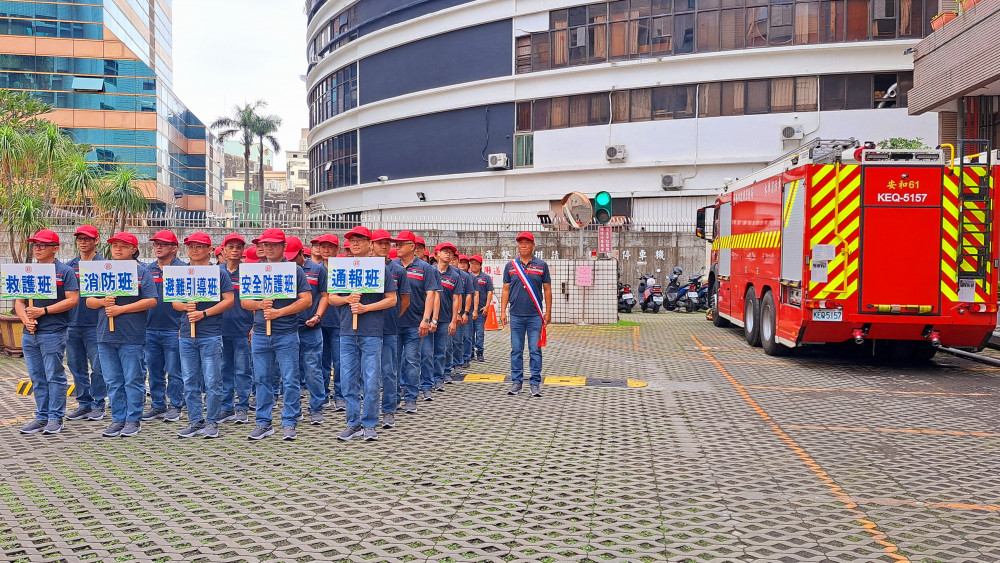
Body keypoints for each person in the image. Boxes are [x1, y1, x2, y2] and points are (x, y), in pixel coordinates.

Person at [243, 228, 312, 441]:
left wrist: (279, 312)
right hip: (262, 333)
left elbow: (306, 300)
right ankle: (263, 422)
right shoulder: (254, 269)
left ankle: (289, 421)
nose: (269, 248)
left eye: (274, 244)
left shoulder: (294, 270)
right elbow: (244, 302)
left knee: (290, 379)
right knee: (262, 379)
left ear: (283, 247)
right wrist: (259, 304)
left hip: (287, 333)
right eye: (266, 244)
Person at [329, 226, 397, 441]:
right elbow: (332, 298)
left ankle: (369, 423)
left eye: (360, 240)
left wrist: (367, 308)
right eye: (352, 240)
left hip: (371, 332)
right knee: (348, 379)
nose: (355, 244)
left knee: (371, 379)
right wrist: (347, 299)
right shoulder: (340, 267)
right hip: (347, 331)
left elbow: (392, 299)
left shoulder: (380, 268)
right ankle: (352, 423)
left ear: (370, 244)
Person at [89, 232, 158, 437]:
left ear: (134, 250)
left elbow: (151, 300)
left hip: (132, 336)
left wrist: (121, 310)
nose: (118, 249)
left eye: (124, 246)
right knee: (112, 380)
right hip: (105, 335)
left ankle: (133, 419)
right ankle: (118, 419)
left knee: (133, 379)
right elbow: (89, 300)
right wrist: (103, 302)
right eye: (114, 245)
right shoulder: (103, 271)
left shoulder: (141, 272)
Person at [16, 230, 80, 435]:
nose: (37, 248)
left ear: (55, 248)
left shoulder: (64, 271)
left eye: (42, 245)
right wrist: (26, 320)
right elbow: (19, 302)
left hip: (53, 332)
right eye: (35, 245)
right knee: (37, 376)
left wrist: (43, 311)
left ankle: (55, 417)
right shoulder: (27, 271)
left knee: (54, 375)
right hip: (30, 334)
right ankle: (41, 416)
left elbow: (72, 300)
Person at [173, 233, 235, 439]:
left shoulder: (219, 273)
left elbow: (229, 300)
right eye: (191, 246)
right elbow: (174, 302)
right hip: (187, 336)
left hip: (210, 334)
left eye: (200, 246)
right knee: (189, 380)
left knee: (212, 380)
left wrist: (204, 313)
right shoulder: (181, 272)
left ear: (210, 249)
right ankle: (195, 421)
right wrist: (185, 306)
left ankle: (212, 421)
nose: (194, 250)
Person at [392, 231, 440, 415]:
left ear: (412, 247)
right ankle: (394, 396)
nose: (397, 247)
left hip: (414, 323)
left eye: (401, 244)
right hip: (393, 323)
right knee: (392, 362)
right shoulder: (391, 267)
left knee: (412, 361)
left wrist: (426, 319)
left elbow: (431, 294)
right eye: (396, 244)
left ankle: (411, 397)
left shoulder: (425, 268)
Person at [142, 230, 187, 422]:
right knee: (154, 369)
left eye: (163, 244)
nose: (158, 247)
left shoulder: (183, 270)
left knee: (175, 371)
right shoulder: (146, 270)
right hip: (150, 328)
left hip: (174, 329)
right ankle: (158, 405)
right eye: (156, 244)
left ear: (174, 248)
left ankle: (176, 405)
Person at [500, 232, 553, 397]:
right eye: (520, 243)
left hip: (535, 316)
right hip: (516, 315)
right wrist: (502, 311)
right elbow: (505, 289)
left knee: (534, 350)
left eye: (526, 243)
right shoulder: (510, 266)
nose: (523, 245)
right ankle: (517, 382)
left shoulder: (541, 265)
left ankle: (535, 383)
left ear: (533, 246)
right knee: (516, 350)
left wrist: (548, 312)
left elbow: (547, 289)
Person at [65, 225, 107, 422]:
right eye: (80, 239)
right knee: (76, 366)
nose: (83, 242)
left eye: (87, 239)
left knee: (98, 367)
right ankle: (84, 403)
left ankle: (99, 403)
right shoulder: (69, 267)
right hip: (71, 324)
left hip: (96, 325)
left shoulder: (105, 266)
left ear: (96, 241)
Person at [290, 236, 329, 426]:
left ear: (301, 253)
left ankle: (316, 407)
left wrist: (318, 315)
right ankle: (294, 410)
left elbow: (325, 296)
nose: (289, 261)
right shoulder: (280, 270)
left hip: (311, 327)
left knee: (313, 369)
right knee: (291, 372)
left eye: (292, 257)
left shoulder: (317, 270)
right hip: (288, 329)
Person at [372, 229, 409, 429]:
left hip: (389, 327)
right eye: (379, 243)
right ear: (372, 245)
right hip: (366, 328)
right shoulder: (362, 268)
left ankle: (389, 408)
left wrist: (392, 316)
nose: (384, 246)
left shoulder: (398, 270)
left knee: (389, 369)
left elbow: (404, 300)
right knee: (368, 372)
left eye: (387, 243)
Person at [219, 233, 253, 424]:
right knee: (224, 370)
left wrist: (254, 326)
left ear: (243, 251)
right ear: (223, 250)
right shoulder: (215, 272)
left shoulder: (249, 273)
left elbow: (257, 301)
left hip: (243, 328)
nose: (234, 251)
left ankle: (242, 407)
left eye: (238, 247)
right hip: (220, 329)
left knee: (242, 370)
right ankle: (226, 407)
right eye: (230, 247)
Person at [425, 242, 462, 397]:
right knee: (426, 351)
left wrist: (454, 320)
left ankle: (439, 378)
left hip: (445, 318)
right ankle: (426, 380)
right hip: (426, 318)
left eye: (450, 252)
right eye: (444, 251)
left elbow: (456, 299)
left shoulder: (455, 275)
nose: (448, 254)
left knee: (441, 350)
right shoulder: (428, 271)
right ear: (437, 254)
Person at [315, 234, 343, 410]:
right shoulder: (315, 269)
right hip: (319, 322)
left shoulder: (343, 269)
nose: (326, 250)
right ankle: (323, 394)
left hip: (340, 321)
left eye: (330, 247)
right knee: (321, 361)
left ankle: (339, 395)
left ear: (337, 249)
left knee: (340, 362)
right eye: (323, 246)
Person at [469, 255, 494, 362]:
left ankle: (479, 352)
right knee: (469, 334)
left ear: (480, 265)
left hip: (481, 310)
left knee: (479, 332)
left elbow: (490, 292)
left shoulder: (485, 278)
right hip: (468, 310)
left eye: (476, 264)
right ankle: (469, 352)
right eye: (472, 263)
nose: (474, 266)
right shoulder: (467, 276)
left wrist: (487, 306)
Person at [455, 254, 476, 372]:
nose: (461, 264)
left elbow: (471, 294)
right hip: (445, 313)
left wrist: (466, 312)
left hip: (463, 311)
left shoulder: (466, 277)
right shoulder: (436, 272)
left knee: (464, 337)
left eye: (464, 262)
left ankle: (463, 360)